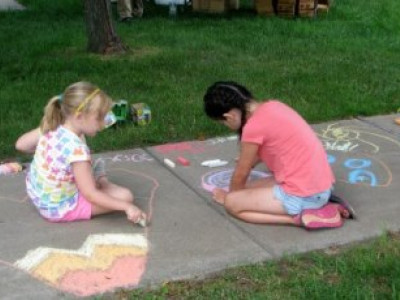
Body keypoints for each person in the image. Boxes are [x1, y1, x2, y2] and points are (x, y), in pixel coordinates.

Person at [203, 81, 353, 229]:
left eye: (223, 122)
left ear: (229, 116)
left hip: (305, 194)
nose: (226, 126)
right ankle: (319, 205)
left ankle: (300, 218)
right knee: (249, 188)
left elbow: (241, 174)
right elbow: (273, 145)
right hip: (319, 185)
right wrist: (250, 164)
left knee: (233, 204)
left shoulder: (253, 127)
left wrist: (230, 197)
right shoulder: (274, 106)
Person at [15, 81, 146, 224]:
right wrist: (127, 207)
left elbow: (21, 145)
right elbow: (90, 194)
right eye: (99, 119)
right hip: (58, 209)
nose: (103, 125)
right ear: (79, 116)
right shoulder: (77, 151)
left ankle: (95, 179)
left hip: (40, 196)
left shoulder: (54, 125)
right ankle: (103, 182)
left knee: (82, 144)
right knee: (125, 196)